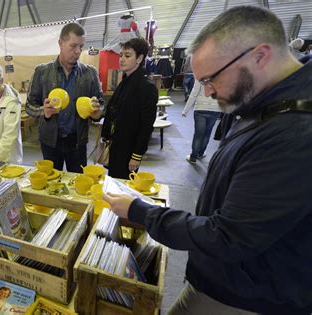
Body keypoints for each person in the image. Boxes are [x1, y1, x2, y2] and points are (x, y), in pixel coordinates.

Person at [104, 6, 312, 315]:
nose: (208, 91)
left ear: (259, 56)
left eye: (211, 78)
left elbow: (229, 237)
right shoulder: (265, 106)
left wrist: (141, 211)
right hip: (227, 278)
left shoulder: (294, 133)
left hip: (249, 294)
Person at [26, 22, 103, 173]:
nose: (78, 51)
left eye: (81, 46)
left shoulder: (90, 73)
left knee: (79, 184)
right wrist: (44, 111)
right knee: (51, 183)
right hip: (50, 141)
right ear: (60, 43)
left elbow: (100, 104)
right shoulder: (41, 72)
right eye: (73, 46)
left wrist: (97, 112)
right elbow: (29, 106)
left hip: (77, 141)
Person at [101, 38, 158, 179]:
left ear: (139, 58)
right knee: (113, 182)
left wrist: (137, 156)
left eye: (127, 56)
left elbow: (146, 126)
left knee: (122, 188)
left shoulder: (146, 87)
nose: (121, 59)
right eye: (121, 55)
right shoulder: (125, 81)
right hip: (116, 145)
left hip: (128, 149)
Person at [182, 80, 221, 163]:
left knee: (198, 134)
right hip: (215, 109)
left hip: (200, 108)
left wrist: (185, 110)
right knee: (207, 133)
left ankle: (193, 157)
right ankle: (201, 153)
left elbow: (194, 93)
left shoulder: (200, 75)